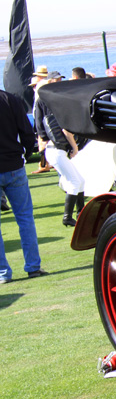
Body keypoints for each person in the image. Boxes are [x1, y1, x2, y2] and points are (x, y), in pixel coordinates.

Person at [0, 87, 43, 283]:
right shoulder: (10, 99)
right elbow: (26, 130)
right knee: (25, 218)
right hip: (13, 165)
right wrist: (26, 153)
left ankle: (3, 273)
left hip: (12, 164)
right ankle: (33, 266)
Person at [33, 72, 86, 226]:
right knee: (75, 181)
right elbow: (65, 130)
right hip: (56, 149)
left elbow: (40, 126)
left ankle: (80, 214)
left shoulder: (44, 103)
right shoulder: (55, 105)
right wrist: (75, 148)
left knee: (79, 181)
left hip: (54, 149)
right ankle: (67, 217)